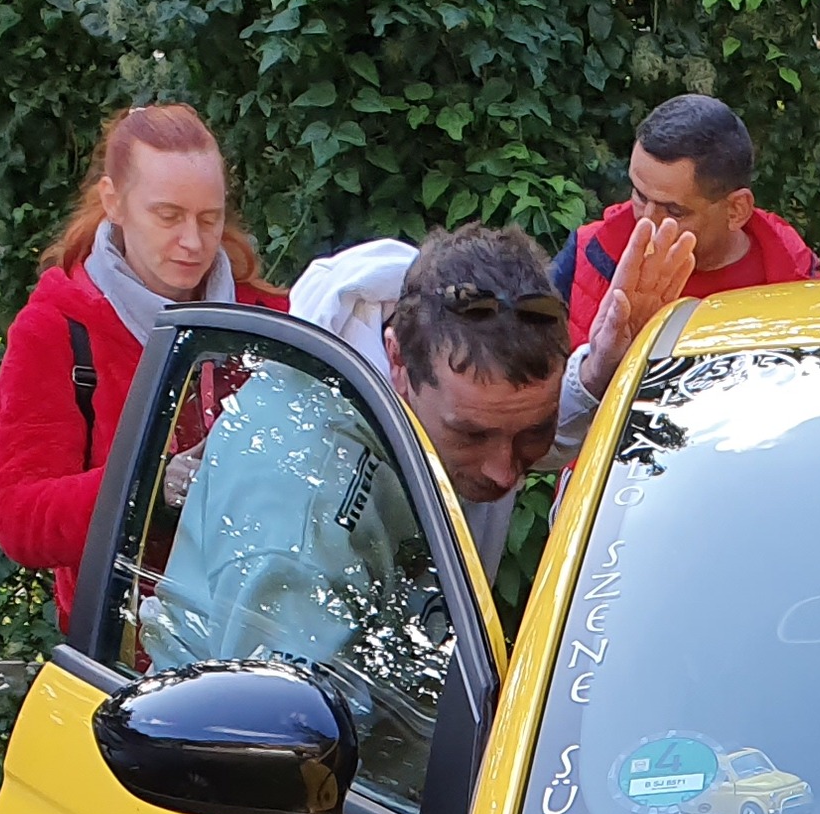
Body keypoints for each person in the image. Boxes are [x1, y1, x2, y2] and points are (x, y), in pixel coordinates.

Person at [150, 226, 575, 678]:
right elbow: (283, 714)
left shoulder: (433, 349)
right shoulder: (303, 509)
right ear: (398, 361)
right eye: (470, 436)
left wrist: (593, 378)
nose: (504, 473)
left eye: (534, 431)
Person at [0, 104, 285, 625]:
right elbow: (18, 519)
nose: (193, 242)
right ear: (114, 202)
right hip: (127, 653)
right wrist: (149, 483)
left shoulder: (268, 317)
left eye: (209, 218)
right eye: (168, 216)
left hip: (269, 632)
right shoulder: (57, 329)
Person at [560, 95, 817, 351]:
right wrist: (600, 362)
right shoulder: (586, 253)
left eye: (674, 211)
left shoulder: (796, 279)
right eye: (640, 195)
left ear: (736, 210)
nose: (646, 222)